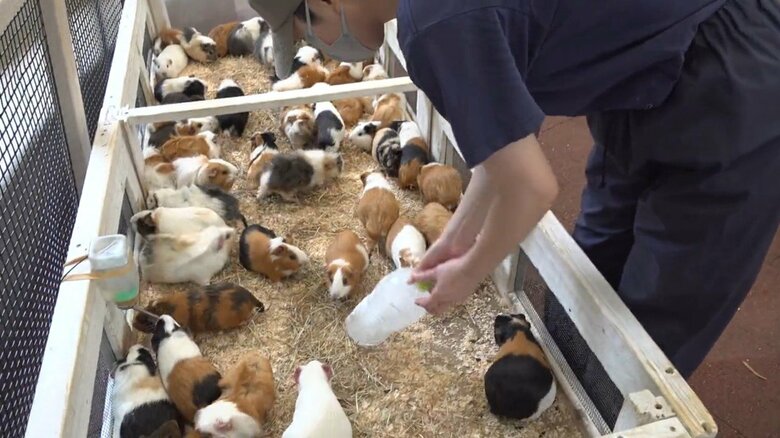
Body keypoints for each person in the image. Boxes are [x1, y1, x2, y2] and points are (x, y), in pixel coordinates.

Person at [250, 0, 780, 378]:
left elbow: (533, 186)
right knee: (591, 263)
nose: (319, 43)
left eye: (309, 25)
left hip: (723, 68)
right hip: (639, 77)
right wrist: (457, 241)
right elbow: (503, 149)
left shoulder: (432, 25)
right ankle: (565, 385)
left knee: (663, 300)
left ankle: (622, 405)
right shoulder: (436, 17)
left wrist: (469, 274)